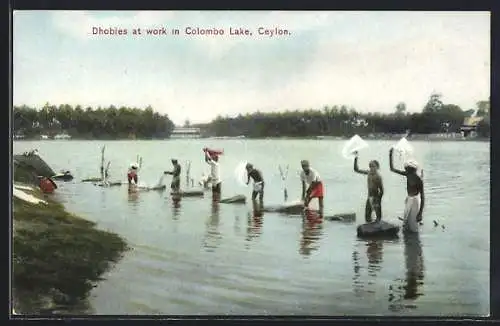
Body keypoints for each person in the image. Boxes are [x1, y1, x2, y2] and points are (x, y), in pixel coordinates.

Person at [389, 148, 425, 233]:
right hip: (409, 198)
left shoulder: (419, 180)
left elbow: (423, 197)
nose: (406, 170)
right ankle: (408, 242)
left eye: (408, 169)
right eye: (406, 169)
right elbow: (392, 169)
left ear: (413, 170)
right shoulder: (407, 174)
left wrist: (420, 213)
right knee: (406, 223)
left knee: (413, 226)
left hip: (415, 200)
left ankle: (414, 242)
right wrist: (390, 155)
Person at [353, 152, 384, 222]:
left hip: (376, 198)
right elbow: (356, 169)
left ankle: (379, 227)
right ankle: (369, 228)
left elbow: (382, 190)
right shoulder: (369, 173)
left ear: (377, 167)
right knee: (367, 216)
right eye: (370, 166)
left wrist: (379, 201)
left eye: (373, 166)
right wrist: (356, 158)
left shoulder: (378, 177)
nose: (371, 168)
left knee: (378, 217)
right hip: (369, 197)